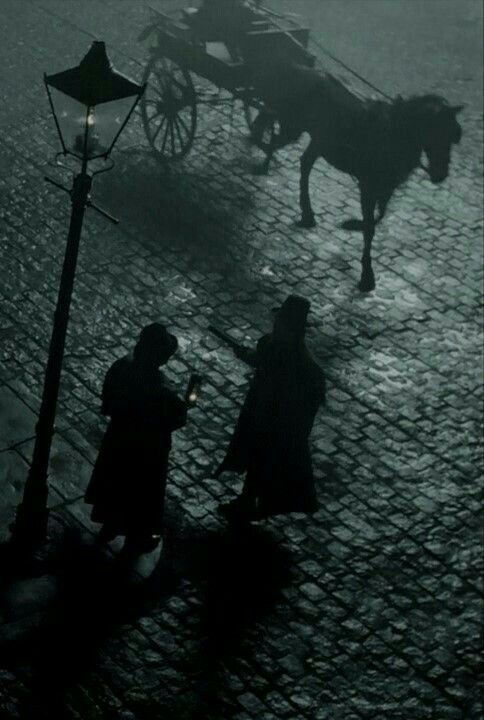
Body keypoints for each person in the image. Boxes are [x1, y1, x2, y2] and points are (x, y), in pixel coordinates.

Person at [215, 295, 326, 522]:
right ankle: (248, 502)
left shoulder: (302, 366)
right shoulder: (274, 347)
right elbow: (259, 360)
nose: (277, 326)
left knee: (265, 465)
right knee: (257, 461)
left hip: (277, 424)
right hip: (262, 416)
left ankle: (253, 504)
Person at [85, 323, 188, 555]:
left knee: (114, 485)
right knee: (139, 493)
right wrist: (185, 406)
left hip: (119, 439)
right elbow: (175, 419)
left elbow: (108, 403)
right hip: (146, 450)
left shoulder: (121, 367)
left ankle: (109, 527)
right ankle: (135, 535)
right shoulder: (159, 389)